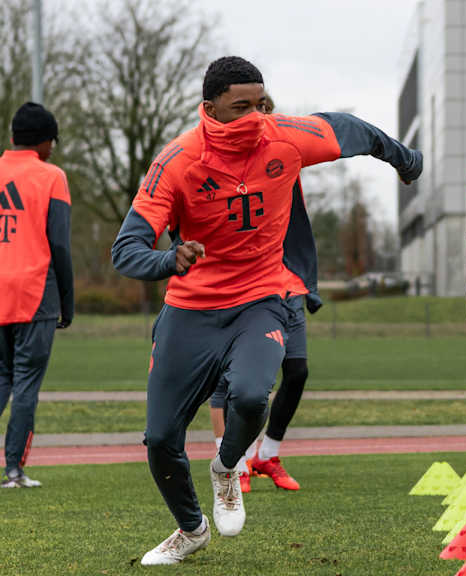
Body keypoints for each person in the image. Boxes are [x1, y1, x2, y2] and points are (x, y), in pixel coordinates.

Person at [111, 56, 421, 565]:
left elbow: (350, 130)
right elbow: (126, 250)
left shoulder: (285, 137)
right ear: (209, 109)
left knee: (253, 396)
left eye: (262, 103)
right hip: (190, 310)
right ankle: (190, 529)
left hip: (261, 299)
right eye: (241, 107)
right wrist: (172, 258)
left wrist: (404, 158)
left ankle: (227, 467)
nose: (256, 116)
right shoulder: (178, 160)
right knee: (161, 438)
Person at [207, 95, 312, 494]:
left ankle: (267, 453)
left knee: (297, 371)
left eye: (265, 114)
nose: (259, 122)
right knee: (232, 382)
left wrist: (310, 279)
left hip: (286, 284)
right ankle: (230, 463)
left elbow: (299, 225)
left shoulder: (285, 162)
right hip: (239, 288)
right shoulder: (216, 166)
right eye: (249, 113)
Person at [0, 102, 73, 489]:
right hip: (34, 293)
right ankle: (14, 470)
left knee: (1, 378)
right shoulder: (51, 176)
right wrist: (68, 301)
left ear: (13, 138)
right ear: (45, 143)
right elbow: (59, 246)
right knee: (26, 384)